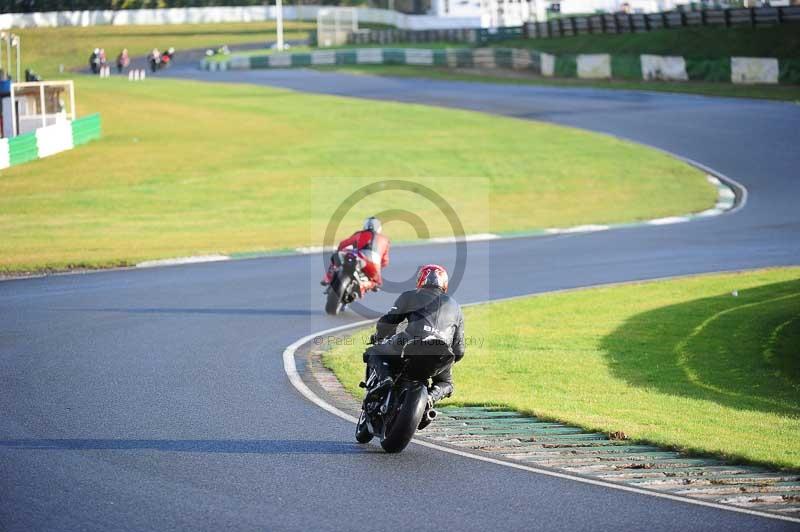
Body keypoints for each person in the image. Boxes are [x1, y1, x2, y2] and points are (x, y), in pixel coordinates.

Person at [364, 264, 465, 414]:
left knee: (374, 352)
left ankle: (386, 380)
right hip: (441, 352)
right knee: (446, 383)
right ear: (444, 283)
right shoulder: (456, 307)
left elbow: (388, 322)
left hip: (410, 344)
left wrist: (379, 338)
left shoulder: (410, 295)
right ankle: (431, 397)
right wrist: (447, 360)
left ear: (421, 280)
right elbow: (459, 350)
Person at [321, 216, 390, 293]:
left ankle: (328, 278)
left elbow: (343, 244)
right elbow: (385, 262)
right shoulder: (385, 240)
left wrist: (339, 250)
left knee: (336, 255)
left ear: (365, 225)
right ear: (379, 228)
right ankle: (365, 285)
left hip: (360, 258)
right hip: (375, 265)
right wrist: (378, 266)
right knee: (377, 284)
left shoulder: (360, 234)